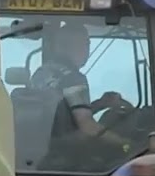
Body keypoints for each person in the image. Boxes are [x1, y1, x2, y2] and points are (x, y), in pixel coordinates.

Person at [30, 21, 133, 153]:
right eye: (85, 44)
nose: (87, 50)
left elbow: (62, 115)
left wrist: (100, 104)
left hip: (43, 147)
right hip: (64, 153)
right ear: (68, 46)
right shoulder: (72, 78)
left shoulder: (41, 73)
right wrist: (126, 144)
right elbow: (87, 127)